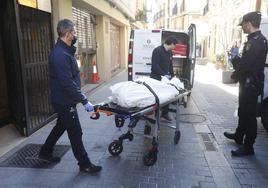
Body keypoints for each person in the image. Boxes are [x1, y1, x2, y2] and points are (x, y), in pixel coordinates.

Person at [38, 19, 102, 173]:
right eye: (74, 32)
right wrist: (84, 100)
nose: (75, 35)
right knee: (75, 131)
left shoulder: (65, 51)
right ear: (67, 34)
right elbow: (67, 83)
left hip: (65, 99)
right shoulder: (60, 54)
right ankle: (84, 163)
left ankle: (45, 153)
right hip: (64, 101)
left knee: (61, 126)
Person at [224, 11, 268, 156]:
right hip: (247, 83)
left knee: (249, 114)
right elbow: (245, 61)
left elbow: (247, 64)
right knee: (243, 111)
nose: (242, 27)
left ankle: (248, 146)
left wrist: (235, 75)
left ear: (248, 23)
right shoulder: (253, 40)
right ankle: (238, 136)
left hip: (251, 84)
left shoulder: (256, 41)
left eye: (242, 24)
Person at [150, 36, 178, 122]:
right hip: (156, 78)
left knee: (167, 96)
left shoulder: (170, 52)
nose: (175, 46)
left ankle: (164, 114)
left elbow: (170, 65)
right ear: (172, 43)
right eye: (175, 45)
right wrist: (163, 74)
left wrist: (173, 77)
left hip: (165, 79)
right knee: (155, 98)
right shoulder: (157, 50)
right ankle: (151, 116)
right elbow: (155, 66)